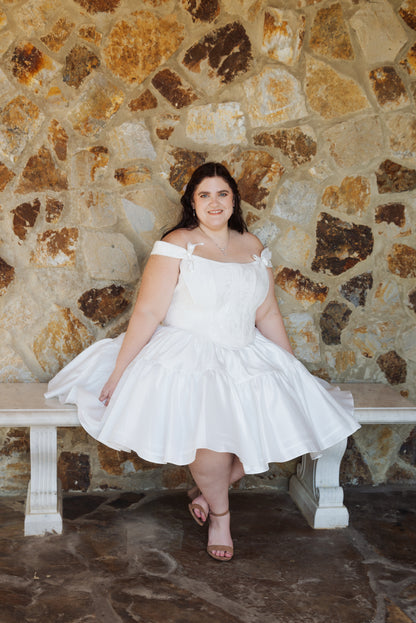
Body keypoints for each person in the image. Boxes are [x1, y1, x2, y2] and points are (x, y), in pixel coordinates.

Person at [46, 162, 359, 562]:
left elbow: (266, 313)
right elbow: (148, 312)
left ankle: (205, 493)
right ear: (192, 203)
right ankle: (221, 518)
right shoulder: (178, 243)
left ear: (234, 200)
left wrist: (291, 366)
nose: (215, 202)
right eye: (205, 195)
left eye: (222, 194)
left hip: (245, 350)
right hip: (187, 354)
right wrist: (119, 370)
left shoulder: (252, 245)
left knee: (282, 425)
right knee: (210, 440)